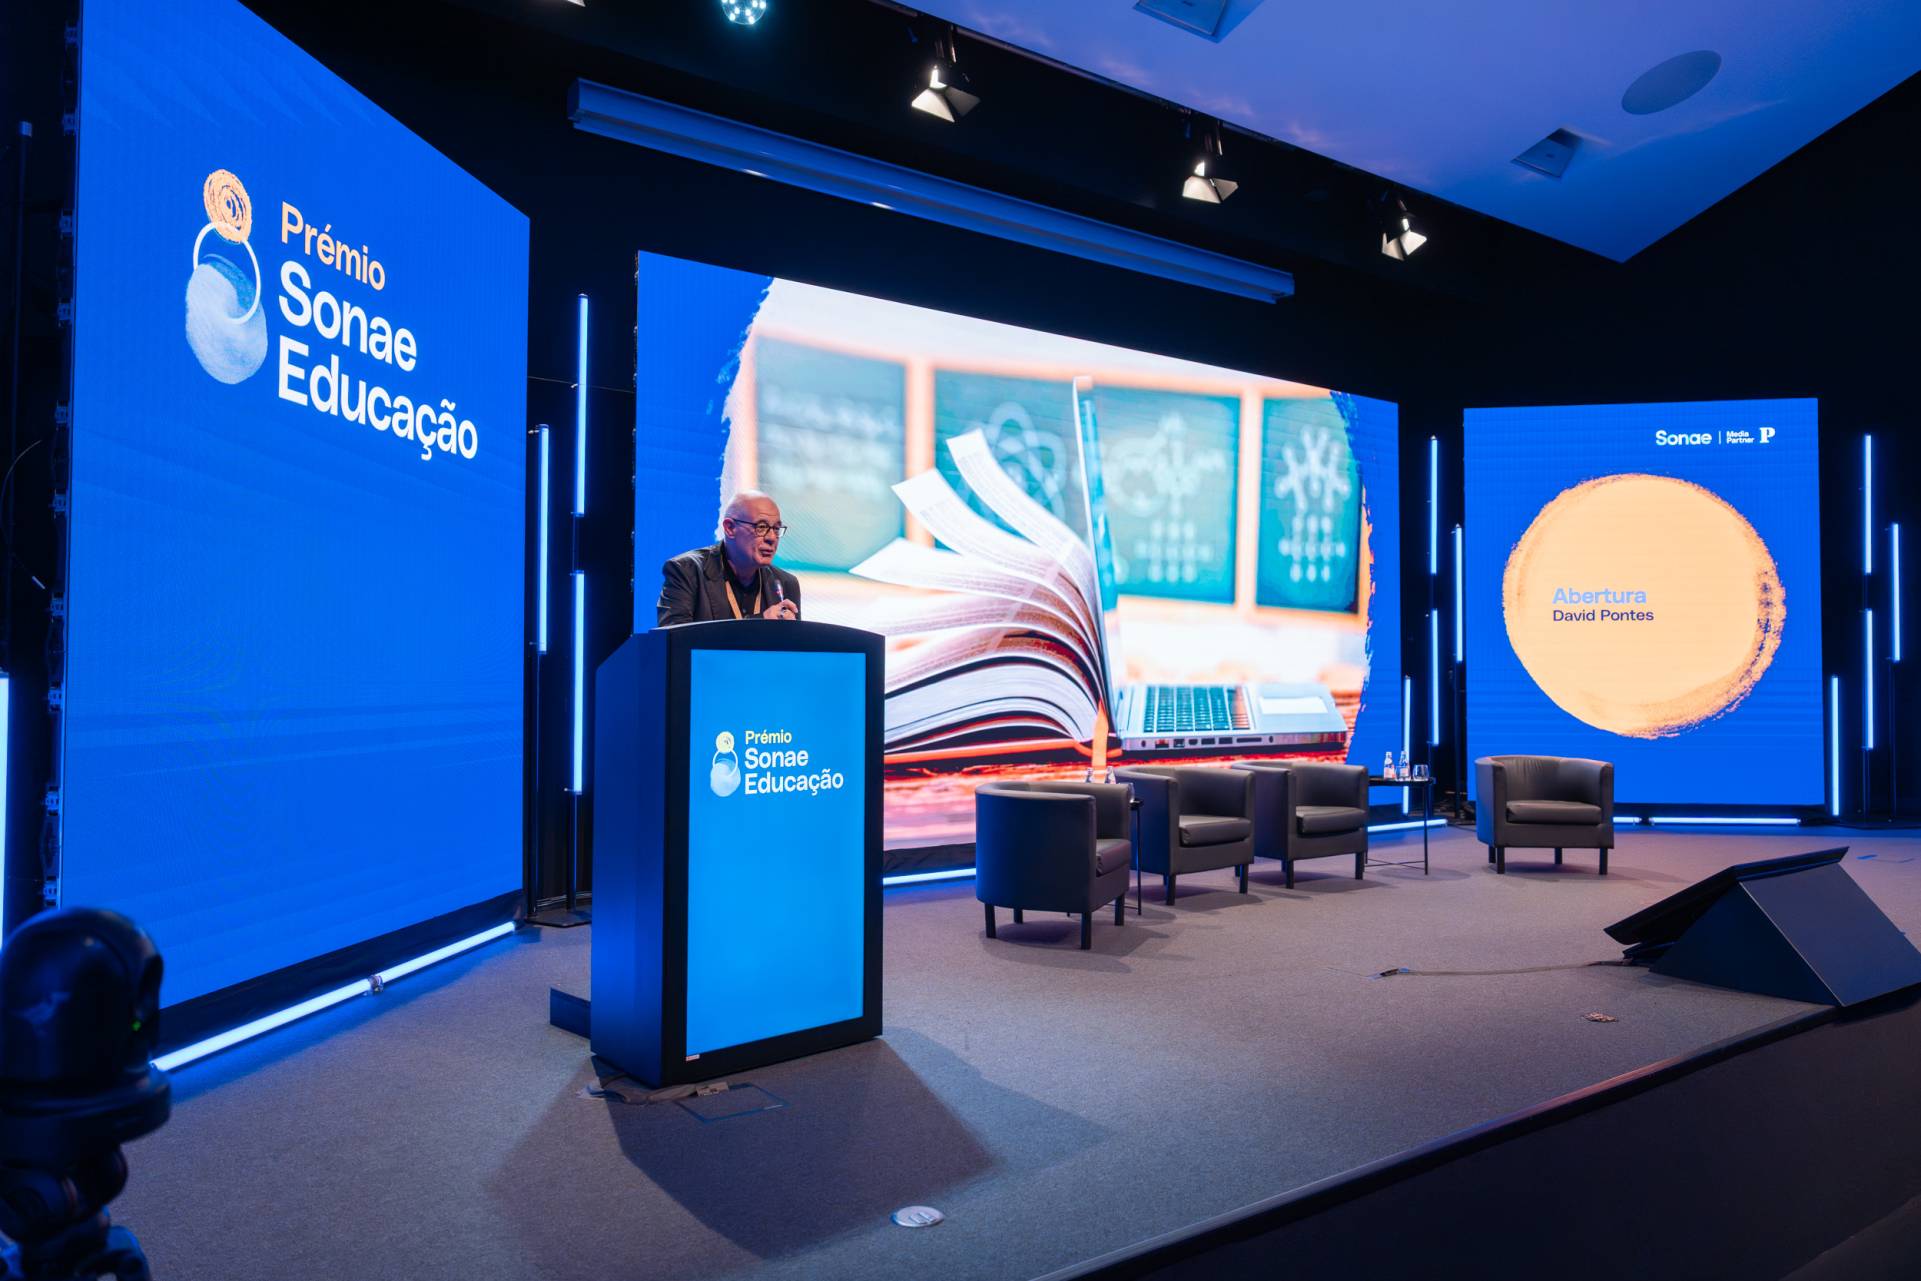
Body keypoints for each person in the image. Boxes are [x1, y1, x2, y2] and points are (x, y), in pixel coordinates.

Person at [656, 490, 802, 626]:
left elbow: (794, 645)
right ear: (730, 528)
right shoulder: (686, 572)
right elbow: (675, 640)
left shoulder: (786, 583)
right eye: (761, 527)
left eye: (776, 529)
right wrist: (760, 623)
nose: (772, 538)